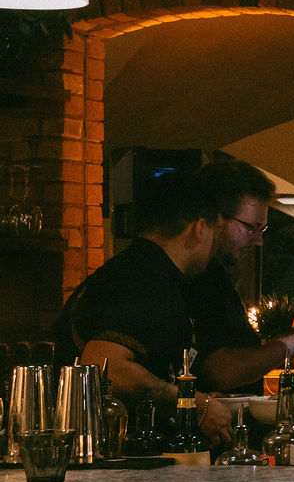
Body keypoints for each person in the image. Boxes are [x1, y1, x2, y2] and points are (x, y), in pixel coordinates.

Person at [54, 171, 217, 406]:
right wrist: (195, 403)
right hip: (105, 437)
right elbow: (104, 367)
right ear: (200, 228)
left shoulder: (133, 268)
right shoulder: (145, 279)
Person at [188, 158, 294, 393]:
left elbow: (238, 352)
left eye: (263, 230)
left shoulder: (217, 276)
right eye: (251, 227)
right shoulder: (200, 280)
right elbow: (221, 371)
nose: (259, 241)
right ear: (215, 219)